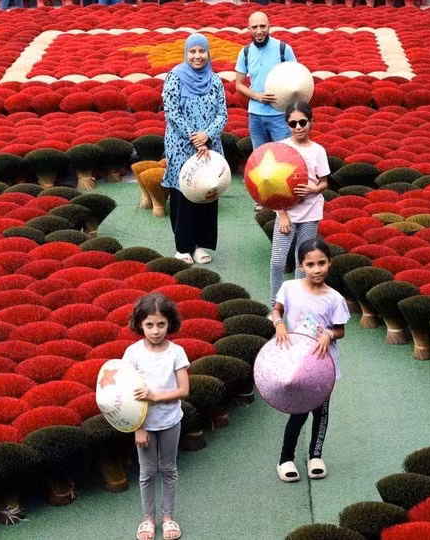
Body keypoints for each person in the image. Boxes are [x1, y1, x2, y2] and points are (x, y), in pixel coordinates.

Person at [270, 238, 350, 483]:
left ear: (329, 263)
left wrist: (328, 333)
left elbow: (340, 330)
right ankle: (286, 459)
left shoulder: (334, 298)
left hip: (323, 364)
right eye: (311, 264)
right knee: (299, 411)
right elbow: (277, 310)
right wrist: (279, 324)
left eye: (322, 263)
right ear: (301, 265)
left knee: (321, 411)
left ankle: (316, 456)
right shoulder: (290, 288)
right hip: (296, 362)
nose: (317, 269)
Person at [123, 293, 190, 540]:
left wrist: (154, 397)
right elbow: (126, 393)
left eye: (161, 324)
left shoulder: (176, 352)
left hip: (171, 421)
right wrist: (138, 427)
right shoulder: (132, 353)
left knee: (169, 469)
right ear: (140, 323)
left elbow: (183, 390)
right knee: (147, 471)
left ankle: (168, 516)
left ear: (169, 323)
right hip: (145, 425)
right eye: (149, 324)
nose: (155, 330)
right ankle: (148, 518)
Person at [162, 33, 228, 265]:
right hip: (181, 147)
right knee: (183, 194)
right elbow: (172, 112)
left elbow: (223, 113)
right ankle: (183, 247)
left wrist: (207, 136)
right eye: (193, 51)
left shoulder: (215, 80)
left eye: (202, 51)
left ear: (208, 53)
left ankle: (199, 244)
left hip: (210, 148)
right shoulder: (175, 77)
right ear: (186, 53)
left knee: (206, 193)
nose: (197, 56)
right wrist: (194, 138)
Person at [270, 101, 329, 308]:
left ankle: (296, 306)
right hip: (287, 214)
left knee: (301, 263)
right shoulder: (282, 148)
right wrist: (282, 213)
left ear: (311, 122)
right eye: (293, 123)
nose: (298, 127)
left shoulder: (318, 151)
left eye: (302, 122)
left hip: (311, 212)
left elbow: (323, 182)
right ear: (287, 125)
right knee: (277, 262)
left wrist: (313, 190)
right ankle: (275, 307)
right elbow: (272, 186)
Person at [234, 11, 296, 151]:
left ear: (269, 26)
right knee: (260, 157)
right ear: (249, 29)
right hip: (255, 115)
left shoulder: (283, 49)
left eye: (263, 26)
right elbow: (239, 84)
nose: (259, 31)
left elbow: (296, 78)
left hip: (279, 114)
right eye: (254, 27)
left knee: (284, 154)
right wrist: (257, 96)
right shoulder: (245, 52)